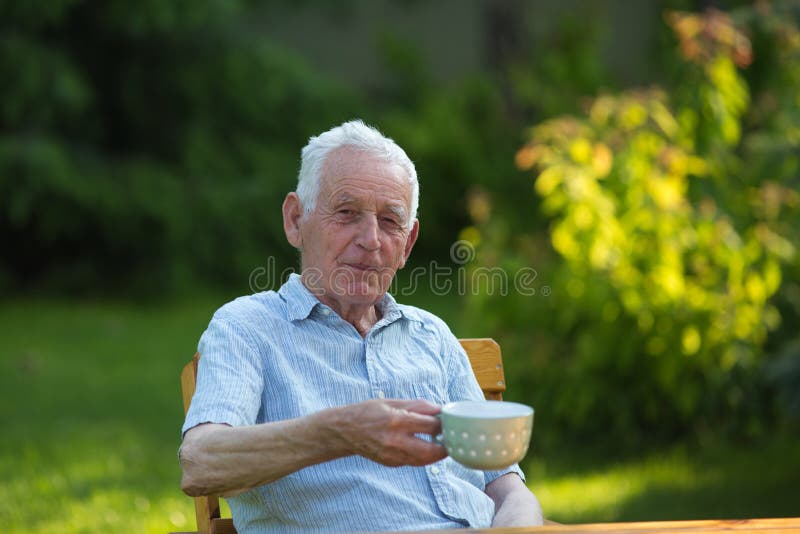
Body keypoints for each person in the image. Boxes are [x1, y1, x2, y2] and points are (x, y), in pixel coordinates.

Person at [179, 119, 544, 532]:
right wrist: (340, 432)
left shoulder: (432, 337)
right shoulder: (248, 328)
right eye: (347, 212)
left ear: (407, 244)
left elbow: (509, 490)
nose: (370, 239)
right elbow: (201, 462)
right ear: (296, 220)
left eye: (390, 221)